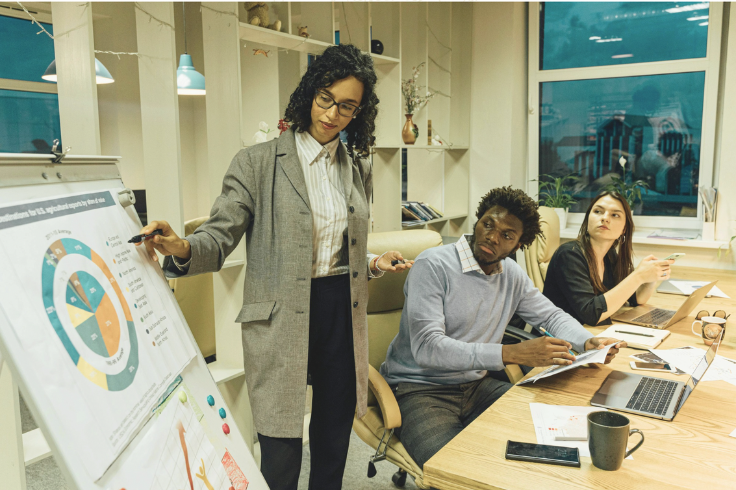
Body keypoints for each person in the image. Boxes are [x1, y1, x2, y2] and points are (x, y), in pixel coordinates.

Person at [136, 44, 413, 490]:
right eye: (326, 97)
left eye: (347, 106)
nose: (332, 113)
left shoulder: (355, 166)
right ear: (309, 92)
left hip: (340, 313)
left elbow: (341, 247)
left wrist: (373, 263)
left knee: (332, 438)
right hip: (280, 315)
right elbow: (220, 235)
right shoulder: (257, 162)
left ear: (358, 112)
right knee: (281, 449)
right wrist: (183, 246)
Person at [379, 186, 625, 469]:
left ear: (518, 245)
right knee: (454, 472)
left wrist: (588, 342)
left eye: (507, 235)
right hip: (420, 390)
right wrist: (511, 353)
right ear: (478, 219)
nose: (492, 237)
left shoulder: (511, 275)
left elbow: (551, 317)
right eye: (488, 224)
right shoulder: (433, 265)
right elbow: (427, 348)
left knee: (550, 441)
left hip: (475, 385)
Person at [543, 191, 674, 326]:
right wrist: (638, 276)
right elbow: (591, 314)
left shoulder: (609, 256)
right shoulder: (569, 255)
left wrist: (651, 278)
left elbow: (637, 299)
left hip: (590, 335)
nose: (605, 218)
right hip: (558, 341)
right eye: (598, 211)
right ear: (588, 218)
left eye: (615, 215)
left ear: (624, 229)